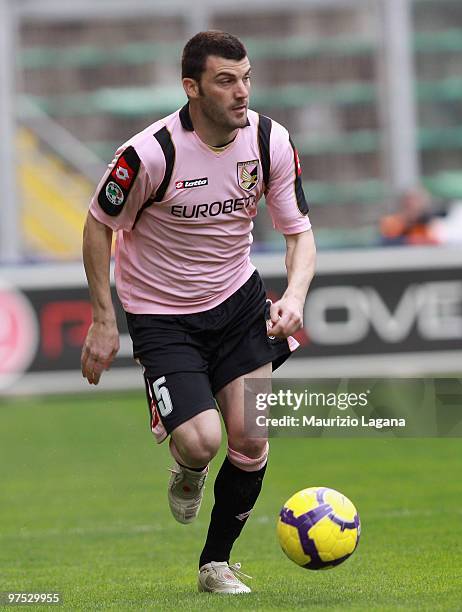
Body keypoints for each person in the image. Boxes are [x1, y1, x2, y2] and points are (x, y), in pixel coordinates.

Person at [80, 30, 315, 594]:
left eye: (247, 78)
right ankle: (187, 469)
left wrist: (294, 298)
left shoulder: (268, 141)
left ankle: (216, 564)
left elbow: (299, 234)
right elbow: (96, 226)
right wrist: (104, 318)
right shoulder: (148, 154)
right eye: (226, 81)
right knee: (202, 442)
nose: (242, 93)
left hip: (237, 303)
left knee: (251, 437)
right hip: (162, 316)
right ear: (192, 87)